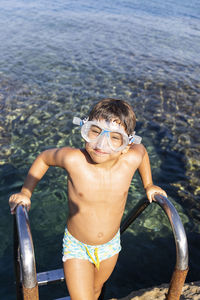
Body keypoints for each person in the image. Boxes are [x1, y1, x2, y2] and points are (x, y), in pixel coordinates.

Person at [9, 98, 167, 300]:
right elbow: (44, 158)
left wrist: (148, 184)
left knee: (95, 290)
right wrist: (26, 192)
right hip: (78, 247)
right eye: (95, 131)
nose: (102, 144)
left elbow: (143, 153)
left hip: (111, 245)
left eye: (114, 138)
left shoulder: (130, 159)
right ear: (84, 129)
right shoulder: (74, 159)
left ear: (127, 144)